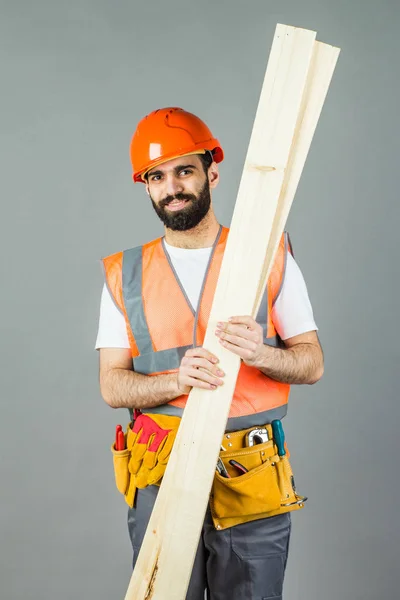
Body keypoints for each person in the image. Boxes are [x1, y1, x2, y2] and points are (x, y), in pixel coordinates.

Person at [95, 107, 324, 599]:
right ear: (147, 186)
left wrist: (263, 354)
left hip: (250, 473)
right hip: (161, 472)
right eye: (157, 176)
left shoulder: (268, 255)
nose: (172, 186)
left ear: (211, 173)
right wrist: (175, 381)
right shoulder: (125, 273)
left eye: (185, 170)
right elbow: (112, 384)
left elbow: (311, 363)